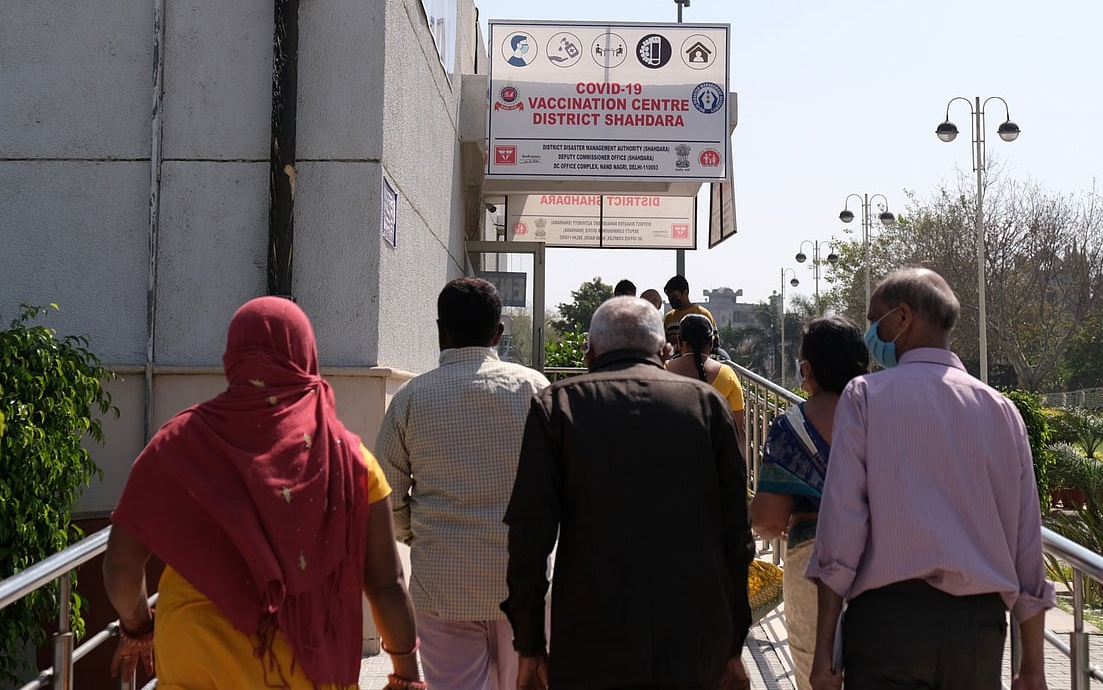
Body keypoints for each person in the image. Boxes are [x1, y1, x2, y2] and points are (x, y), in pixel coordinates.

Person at [103, 296, 426, 690]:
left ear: (232, 358)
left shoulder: (178, 444)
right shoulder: (349, 460)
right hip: (304, 673)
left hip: (194, 662)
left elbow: (121, 567)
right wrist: (407, 674)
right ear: (305, 356)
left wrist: (138, 628)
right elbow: (386, 583)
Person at [806, 268, 1055, 690]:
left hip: (888, 628)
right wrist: (1033, 664)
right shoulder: (1001, 411)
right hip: (977, 633)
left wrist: (824, 651)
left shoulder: (865, 397)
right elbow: (1026, 539)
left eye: (874, 320)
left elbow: (841, 529)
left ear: (903, 318)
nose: (871, 333)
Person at [503, 296, 754, 690]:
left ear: (588, 354)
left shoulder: (557, 407)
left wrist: (530, 644)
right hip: (692, 638)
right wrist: (733, 643)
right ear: (664, 350)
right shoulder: (707, 406)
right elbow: (736, 536)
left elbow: (528, 538)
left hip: (589, 640)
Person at [375, 278, 549, 690]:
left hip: (443, 585)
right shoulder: (535, 390)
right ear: (499, 333)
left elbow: (386, 497)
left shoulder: (409, 399)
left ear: (441, 331)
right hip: (522, 587)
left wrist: (421, 536)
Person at [748, 315, 868, 690]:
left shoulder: (792, 427)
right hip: (880, 561)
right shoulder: (882, 417)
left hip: (812, 565)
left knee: (814, 669)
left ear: (807, 369)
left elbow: (767, 520)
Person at [666, 313, 746, 449]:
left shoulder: (662, 369)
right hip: (712, 461)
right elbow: (738, 428)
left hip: (670, 459)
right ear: (711, 344)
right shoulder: (726, 374)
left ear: (679, 343)